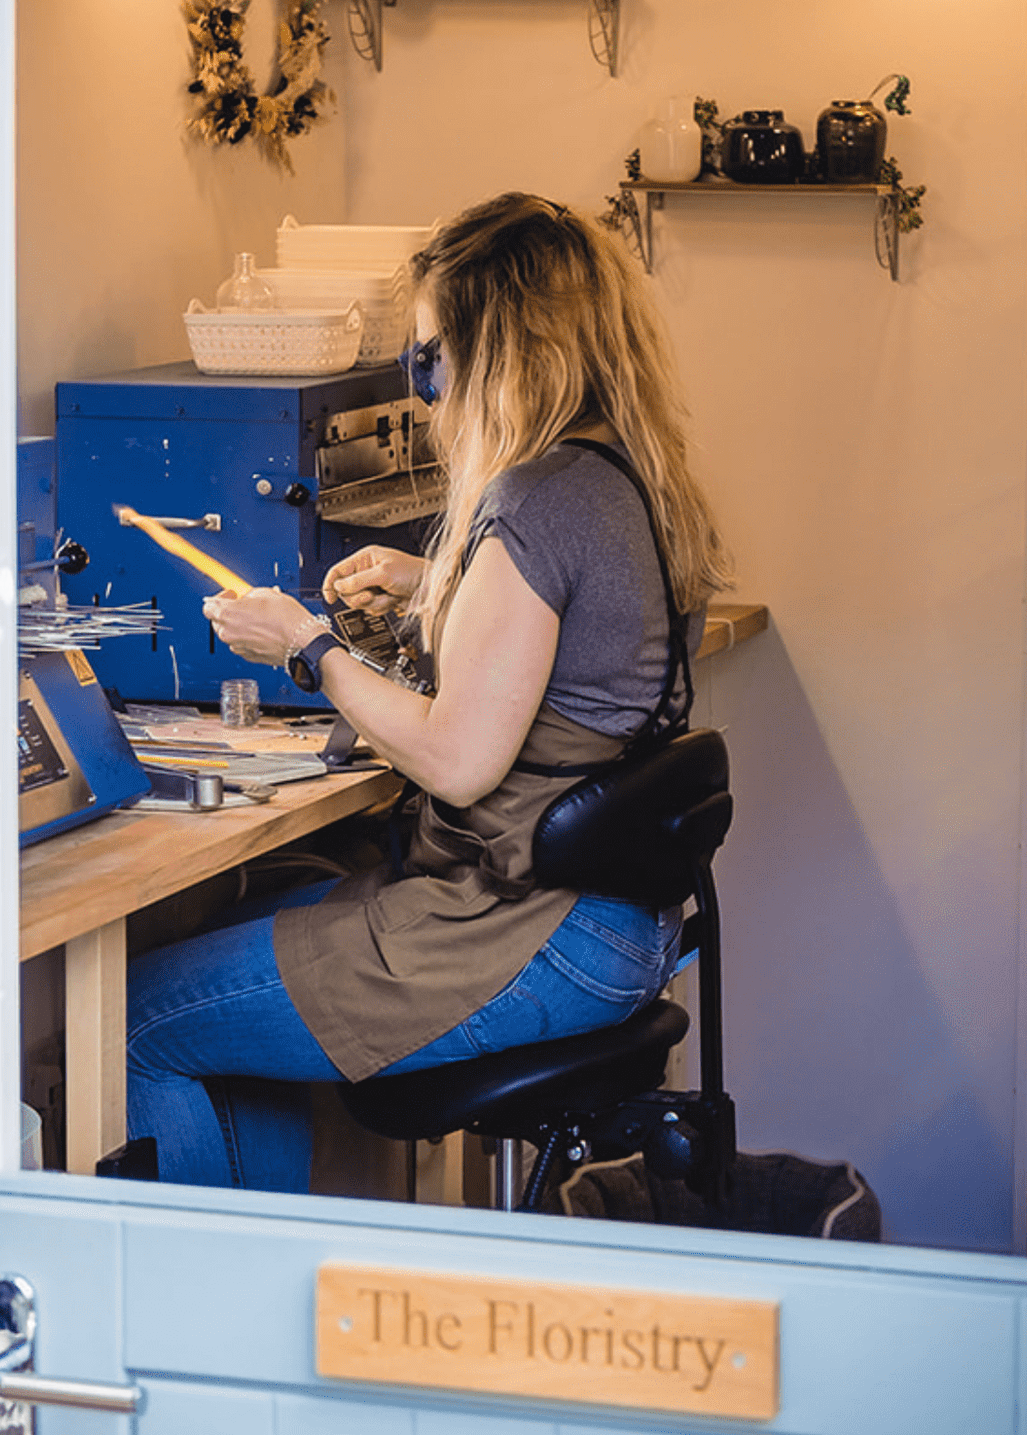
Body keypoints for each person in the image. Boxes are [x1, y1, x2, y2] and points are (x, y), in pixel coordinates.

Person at [124, 191, 733, 1190]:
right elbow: (595, 640)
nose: (421, 392)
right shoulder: (624, 476)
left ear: (505, 352)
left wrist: (306, 641)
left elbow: (457, 756)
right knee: (242, 945)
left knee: (144, 1021)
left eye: (428, 359)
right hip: (622, 927)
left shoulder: (533, 495)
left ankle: (207, 1319)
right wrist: (440, 587)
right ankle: (271, 1296)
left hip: (526, 929)